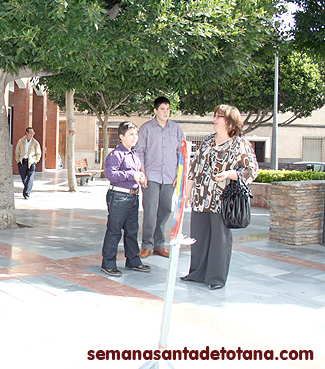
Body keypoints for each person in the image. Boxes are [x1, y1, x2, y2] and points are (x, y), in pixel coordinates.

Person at [181, 104, 259, 290]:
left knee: (219, 240)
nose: (215, 119)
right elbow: (194, 167)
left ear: (230, 122)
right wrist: (188, 192)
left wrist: (230, 174)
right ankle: (197, 273)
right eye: (215, 115)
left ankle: (216, 278)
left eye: (220, 116)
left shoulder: (239, 144)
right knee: (199, 237)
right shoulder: (208, 141)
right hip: (201, 197)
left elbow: (251, 170)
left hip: (222, 199)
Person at [135, 97, 185, 259]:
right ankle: (147, 245)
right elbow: (139, 151)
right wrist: (142, 171)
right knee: (150, 211)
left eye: (168, 109)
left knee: (165, 210)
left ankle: (159, 245)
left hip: (170, 177)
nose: (165, 112)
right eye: (162, 109)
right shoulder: (146, 129)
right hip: (151, 176)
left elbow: (181, 153)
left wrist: (180, 174)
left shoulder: (176, 129)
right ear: (155, 110)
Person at [100, 121, 151, 277]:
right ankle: (108, 263)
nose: (135, 137)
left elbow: (136, 173)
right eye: (131, 134)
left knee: (132, 231)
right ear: (121, 136)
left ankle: (133, 260)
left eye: (136, 134)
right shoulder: (116, 155)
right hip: (119, 197)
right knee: (114, 231)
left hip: (133, 196)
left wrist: (141, 178)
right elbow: (111, 175)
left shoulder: (134, 154)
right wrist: (132, 175)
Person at [14, 127, 42, 199]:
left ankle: (26, 193)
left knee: (30, 178)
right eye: (31, 133)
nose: (32, 134)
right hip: (22, 162)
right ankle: (27, 189)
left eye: (33, 133)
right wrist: (18, 160)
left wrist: (35, 161)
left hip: (31, 162)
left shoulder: (35, 143)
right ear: (26, 133)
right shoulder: (21, 141)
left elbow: (38, 153)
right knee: (24, 178)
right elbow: (17, 151)